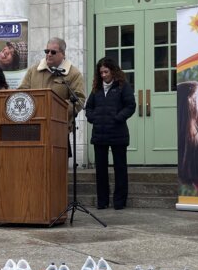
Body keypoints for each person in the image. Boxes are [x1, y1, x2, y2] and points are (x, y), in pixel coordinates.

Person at [84, 57, 136, 210]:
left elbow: (130, 105)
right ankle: (102, 202)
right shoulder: (96, 89)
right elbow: (89, 108)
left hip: (118, 134)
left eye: (106, 71)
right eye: (101, 72)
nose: (103, 75)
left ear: (113, 71)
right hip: (99, 135)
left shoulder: (122, 86)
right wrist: (94, 118)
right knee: (101, 170)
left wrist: (118, 118)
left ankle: (119, 202)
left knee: (120, 169)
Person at [18, 37, 87, 114]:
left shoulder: (73, 74)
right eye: (47, 51)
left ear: (63, 54)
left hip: (60, 123)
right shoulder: (34, 70)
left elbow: (79, 100)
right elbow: (21, 93)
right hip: (35, 122)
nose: (49, 54)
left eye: (53, 52)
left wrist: (54, 107)